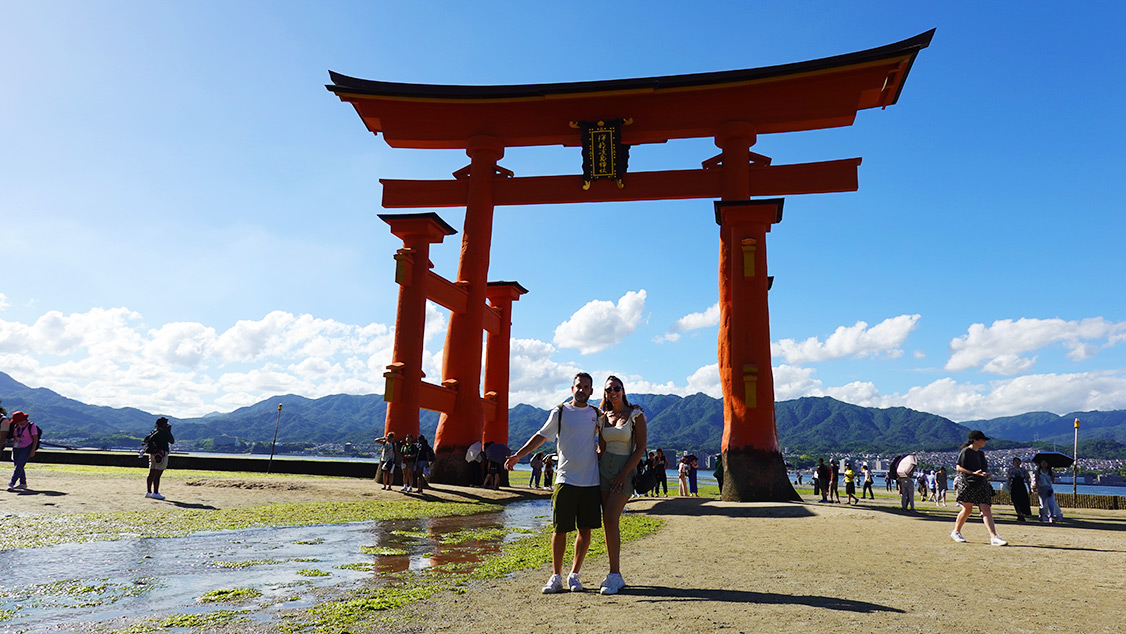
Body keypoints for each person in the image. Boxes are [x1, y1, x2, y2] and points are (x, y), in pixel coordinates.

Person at [504, 373, 602, 594]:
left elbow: (614, 426)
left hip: (590, 480)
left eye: (586, 387)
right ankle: (556, 576)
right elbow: (541, 436)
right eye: (578, 386)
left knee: (585, 529)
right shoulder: (560, 412)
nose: (582, 390)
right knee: (560, 529)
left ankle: (574, 575)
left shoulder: (596, 415)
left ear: (591, 391)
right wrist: (518, 455)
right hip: (565, 478)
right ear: (572, 388)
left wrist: (633, 410)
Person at [596, 375, 647, 595]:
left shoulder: (636, 415)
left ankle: (615, 574)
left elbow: (640, 447)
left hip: (624, 471)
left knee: (610, 517)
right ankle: (614, 573)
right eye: (609, 389)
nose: (613, 392)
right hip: (603, 472)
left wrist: (624, 473)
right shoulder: (602, 417)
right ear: (605, 393)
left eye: (617, 388)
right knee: (608, 522)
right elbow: (601, 449)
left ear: (623, 391)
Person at [951, 430, 1007, 546]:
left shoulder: (981, 454)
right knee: (967, 509)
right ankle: (956, 531)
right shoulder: (966, 451)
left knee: (986, 509)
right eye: (983, 439)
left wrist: (987, 474)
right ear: (975, 440)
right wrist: (973, 473)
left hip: (981, 482)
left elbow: (983, 468)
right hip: (968, 483)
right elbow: (958, 467)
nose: (984, 442)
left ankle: (994, 537)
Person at [6, 411, 40, 492]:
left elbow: (35, 438)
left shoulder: (31, 426)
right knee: (17, 465)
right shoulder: (16, 426)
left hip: (27, 447)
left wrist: (33, 450)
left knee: (19, 465)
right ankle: (23, 483)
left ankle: (12, 482)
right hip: (16, 447)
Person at [144, 417, 174, 500]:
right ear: (163, 424)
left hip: (153, 453)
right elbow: (172, 441)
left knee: (151, 473)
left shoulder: (154, 432)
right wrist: (169, 431)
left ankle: (149, 492)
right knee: (158, 474)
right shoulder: (164, 432)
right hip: (161, 454)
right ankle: (156, 492)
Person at [1032, 459, 1063, 523]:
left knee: (1051, 503)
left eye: (1045, 462)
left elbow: (1052, 481)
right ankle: (1042, 515)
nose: (1044, 464)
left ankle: (1051, 516)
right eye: (1042, 462)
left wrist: (1053, 476)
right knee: (1042, 504)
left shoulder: (1050, 472)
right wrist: (1038, 488)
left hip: (1049, 488)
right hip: (1041, 488)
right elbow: (1036, 481)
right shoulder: (1038, 472)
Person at [1006, 457, 1032, 522]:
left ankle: (1022, 513)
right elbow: (1008, 479)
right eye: (1015, 461)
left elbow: (1027, 480)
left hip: (1021, 485)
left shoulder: (1023, 470)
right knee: (1015, 500)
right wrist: (1007, 487)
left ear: (1020, 463)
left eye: (1018, 461)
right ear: (1013, 463)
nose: (1017, 463)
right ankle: (1019, 513)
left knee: (1023, 500)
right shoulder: (1011, 470)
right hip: (1014, 486)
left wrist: (1030, 488)